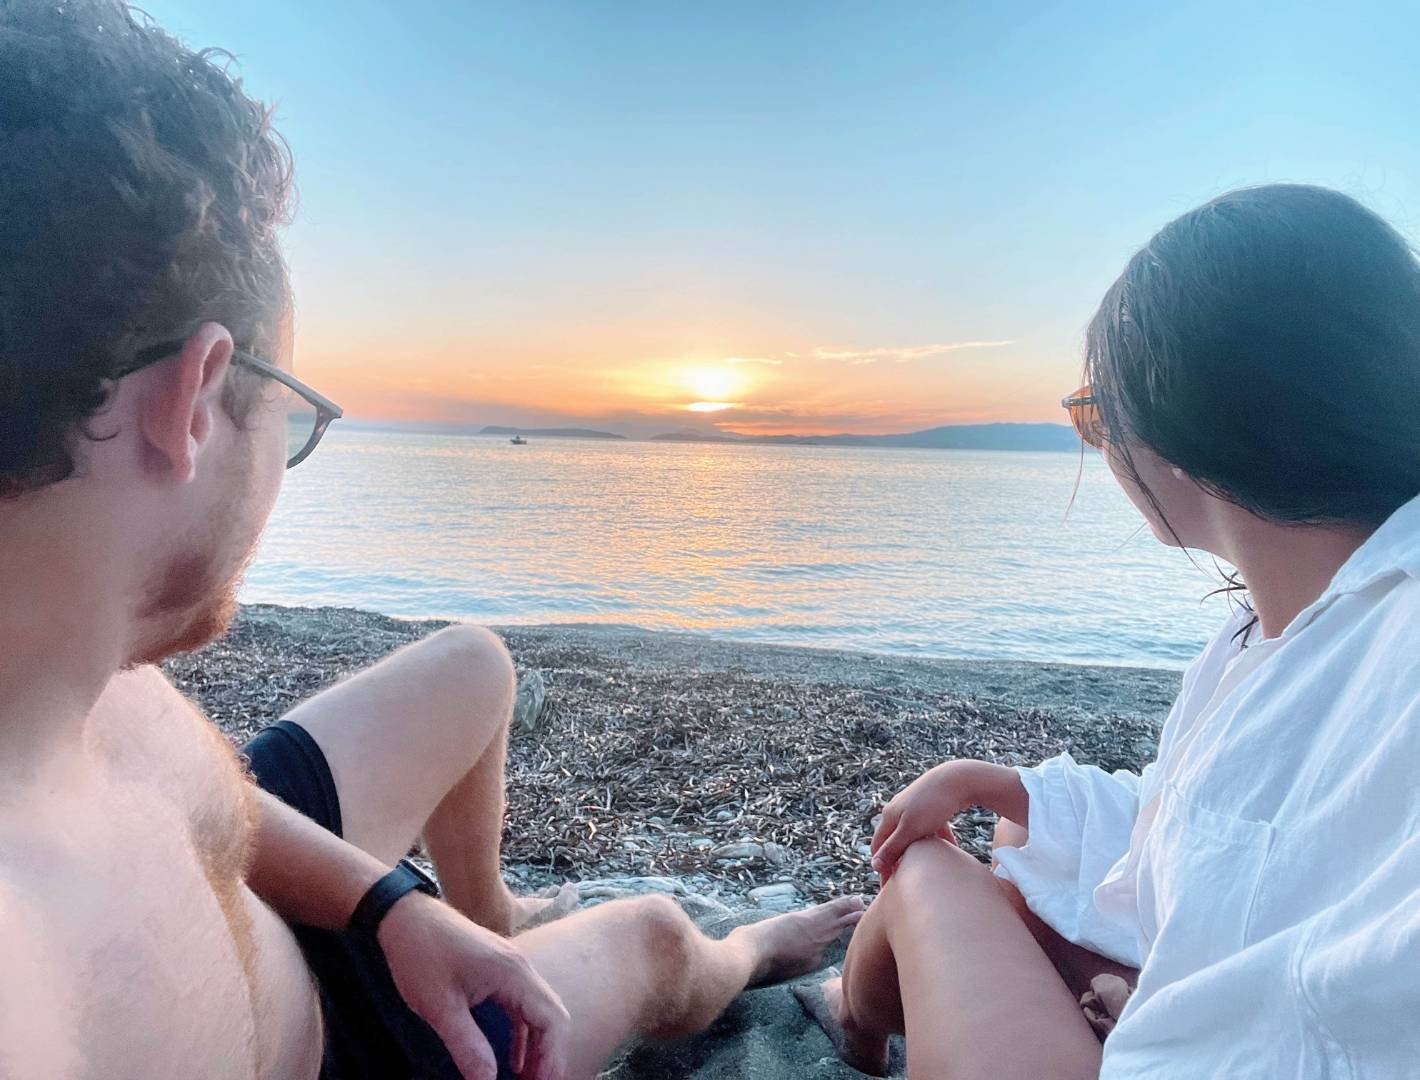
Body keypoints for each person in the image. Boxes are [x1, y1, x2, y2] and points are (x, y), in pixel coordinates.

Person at [0, 3, 866, 1078]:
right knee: (651, 937)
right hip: (357, 1049)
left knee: (473, 666)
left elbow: (203, 799)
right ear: (197, 395)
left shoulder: (65, 655)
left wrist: (391, 905)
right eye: (289, 407)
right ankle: (739, 954)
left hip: (293, 909)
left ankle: (490, 908)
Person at [797, 184, 1420, 1078]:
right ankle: (854, 1012)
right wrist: (1008, 785)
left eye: (1096, 418)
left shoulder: (1392, 649)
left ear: (1178, 430)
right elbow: (1221, 829)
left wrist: (1173, 1034)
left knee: (931, 876)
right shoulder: (1287, 635)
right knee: (1017, 841)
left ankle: (848, 1019)